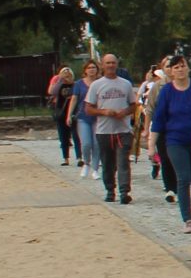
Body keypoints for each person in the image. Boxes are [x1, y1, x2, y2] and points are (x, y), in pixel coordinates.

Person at [148, 54, 191, 234]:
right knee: (183, 178)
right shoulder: (167, 91)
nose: (180, 70)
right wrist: (151, 145)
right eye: (176, 67)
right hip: (175, 140)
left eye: (183, 66)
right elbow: (158, 119)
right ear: (171, 72)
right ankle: (187, 218)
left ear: (188, 68)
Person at [83, 52, 138, 201]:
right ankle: (109, 190)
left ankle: (124, 192)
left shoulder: (125, 84)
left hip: (123, 130)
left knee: (123, 162)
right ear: (102, 65)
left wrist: (124, 112)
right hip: (104, 131)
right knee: (108, 163)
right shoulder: (96, 85)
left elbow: (134, 105)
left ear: (117, 64)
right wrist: (104, 112)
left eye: (113, 63)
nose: (111, 66)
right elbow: (88, 108)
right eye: (108, 63)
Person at [71, 63, 98, 171]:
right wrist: (69, 115)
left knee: (96, 144)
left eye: (94, 68)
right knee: (86, 144)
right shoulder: (79, 84)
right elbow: (74, 99)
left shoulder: (100, 82)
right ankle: (86, 162)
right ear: (85, 70)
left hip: (97, 117)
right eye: (89, 68)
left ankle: (95, 169)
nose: (91, 70)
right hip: (83, 117)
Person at [48, 66, 76, 164]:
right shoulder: (59, 84)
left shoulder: (75, 84)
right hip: (61, 112)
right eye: (65, 74)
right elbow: (52, 92)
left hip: (73, 112)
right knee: (63, 136)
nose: (67, 76)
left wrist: (70, 81)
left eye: (69, 75)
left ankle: (79, 157)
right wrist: (60, 80)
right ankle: (66, 158)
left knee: (76, 136)